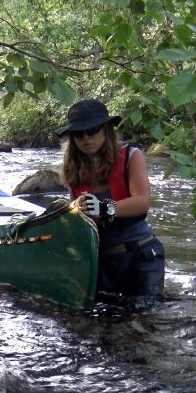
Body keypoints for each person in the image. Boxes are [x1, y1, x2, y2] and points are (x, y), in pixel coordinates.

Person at [56, 99, 164, 305]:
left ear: (106, 130)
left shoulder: (132, 156)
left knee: (143, 323)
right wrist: (74, 210)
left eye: (92, 130)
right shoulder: (72, 168)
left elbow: (142, 202)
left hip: (142, 257)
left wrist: (105, 208)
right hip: (103, 262)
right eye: (79, 134)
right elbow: (76, 223)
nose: (86, 138)